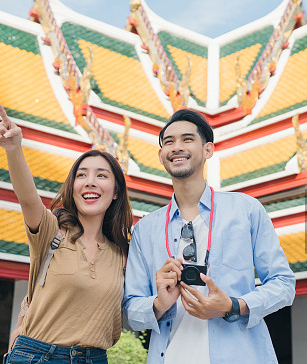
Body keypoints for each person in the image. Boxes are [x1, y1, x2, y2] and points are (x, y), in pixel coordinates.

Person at [123, 109, 295, 363]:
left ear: (208, 150)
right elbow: (130, 310)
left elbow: (283, 284)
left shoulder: (246, 210)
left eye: (187, 139)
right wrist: (159, 303)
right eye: (168, 142)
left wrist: (233, 306)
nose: (177, 147)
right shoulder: (144, 229)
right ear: (161, 156)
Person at [0, 102, 133, 364]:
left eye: (101, 175)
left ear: (115, 193)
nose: (90, 181)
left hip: (94, 357)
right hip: (38, 356)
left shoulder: (123, 253)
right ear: (74, 187)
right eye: (82, 175)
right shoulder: (51, 232)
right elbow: (28, 198)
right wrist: (14, 150)